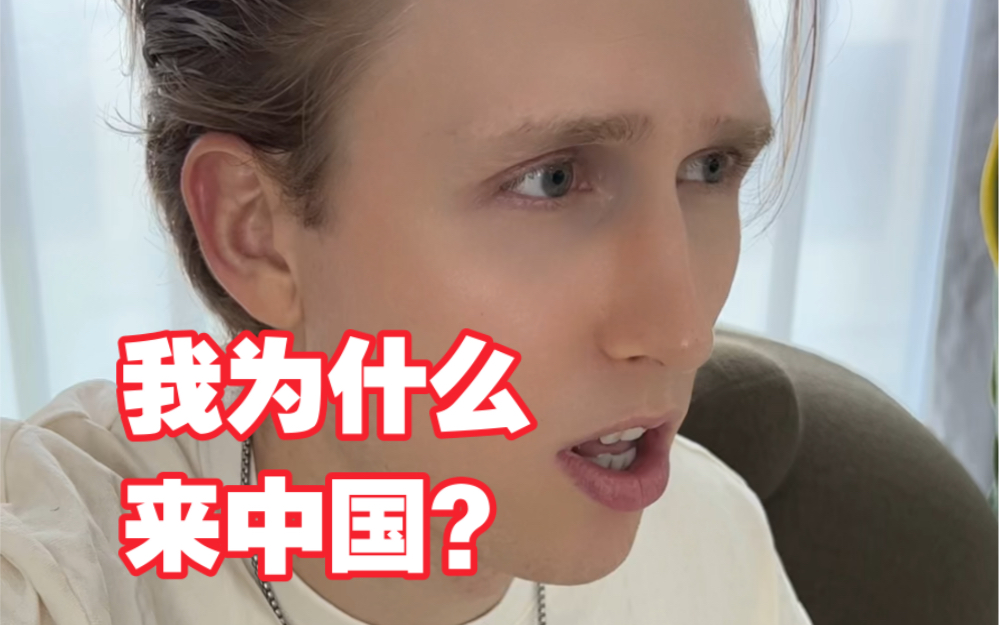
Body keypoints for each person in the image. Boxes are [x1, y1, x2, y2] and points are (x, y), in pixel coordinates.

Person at [0, 0, 817, 623]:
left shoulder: (711, 542)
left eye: (710, 167)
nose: (683, 333)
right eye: (552, 179)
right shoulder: (61, 570)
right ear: (256, 233)